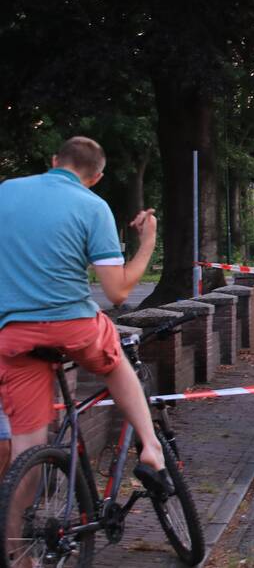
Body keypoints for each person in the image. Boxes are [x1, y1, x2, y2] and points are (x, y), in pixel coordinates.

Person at [0, 136, 172, 496]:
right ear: (97, 177)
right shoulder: (93, 206)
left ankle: (19, 550)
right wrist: (148, 244)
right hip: (72, 324)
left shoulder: (6, 192)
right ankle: (152, 449)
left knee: (26, 448)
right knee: (115, 362)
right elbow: (118, 292)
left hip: (13, 333)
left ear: (53, 160)